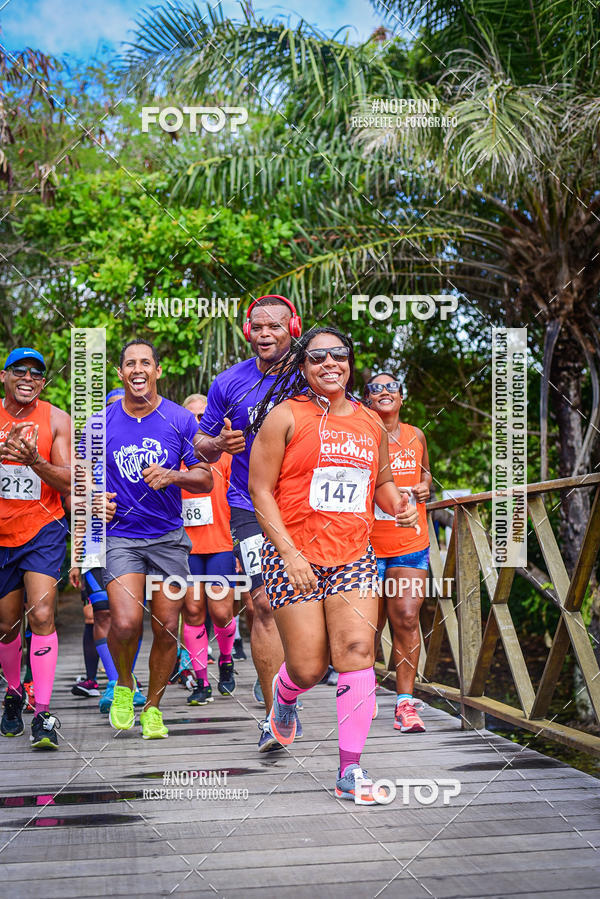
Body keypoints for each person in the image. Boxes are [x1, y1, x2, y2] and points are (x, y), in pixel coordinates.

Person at [248, 327, 418, 801]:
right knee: (306, 669)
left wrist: (398, 505)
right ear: (303, 367)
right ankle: (283, 701)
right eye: (317, 357)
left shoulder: (369, 423)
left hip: (353, 557)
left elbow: (380, 487)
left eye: (338, 355)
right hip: (294, 555)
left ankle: (350, 771)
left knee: (358, 651)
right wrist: (288, 553)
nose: (329, 363)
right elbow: (260, 491)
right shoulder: (285, 416)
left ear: (350, 363)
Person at [194, 295, 303, 752]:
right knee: (262, 603)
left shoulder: (312, 372)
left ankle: (294, 684)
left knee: (315, 600)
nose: (264, 333)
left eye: (274, 326)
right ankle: (272, 716)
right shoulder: (228, 382)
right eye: (256, 326)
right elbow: (200, 443)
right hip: (249, 504)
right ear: (246, 332)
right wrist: (216, 442)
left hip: (306, 504)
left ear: (292, 328)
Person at [95, 339, 212, 739]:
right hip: (120, 538)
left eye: (146, 362)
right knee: (126, 624)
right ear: (121, 373)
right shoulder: (101, 423)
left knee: (166, 627)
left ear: (158, 371)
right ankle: (125, 685)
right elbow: (78, 478)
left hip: (167, 538)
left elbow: (206, 477)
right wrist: (94, 500)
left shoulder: (180, 419)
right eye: (130, 363)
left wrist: (173, 475)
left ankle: (153, 707)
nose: (138, 369)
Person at [0, 347, 71, 749]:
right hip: (0, 532)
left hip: (42, 527)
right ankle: (13, 693)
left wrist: (35, 462)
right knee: (6, 624)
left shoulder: (57, 419)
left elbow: (66, 480)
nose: (28, 378)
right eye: (20, 371)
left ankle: (43, 713)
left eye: (37, 374)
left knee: (42, 613)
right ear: (4, 376)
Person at [69, 388, 146, 714]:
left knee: (130, 615)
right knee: (100, 613)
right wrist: (75, 557)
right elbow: (75, 505)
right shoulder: (88, 457)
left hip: (135, 544)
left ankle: (128, 678)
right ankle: (115, 681)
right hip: (94, 546)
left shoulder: (142, 452)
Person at [366, 373, 432, 733]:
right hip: (366, 545)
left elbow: (427, 476)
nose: (385, 392)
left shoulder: (415, 435)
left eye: (392, 387)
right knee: (368, 626)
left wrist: (423, 486)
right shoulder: (359, 433)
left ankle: (405, 704)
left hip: (410, 543)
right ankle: (364, 690)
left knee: (406, 617)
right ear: (367, 400)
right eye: (376, 388)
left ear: (401, 398)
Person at [180, 393, 236, 705]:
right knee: (192, 611)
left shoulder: (224, 457)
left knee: (222, 611)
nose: (198, 422)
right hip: (185, 549)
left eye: (204, 417)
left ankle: (226, 661)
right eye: (192, 418)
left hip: (220, 545)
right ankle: (201, 681)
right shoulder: (173, 456)